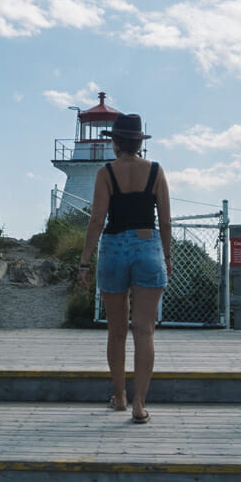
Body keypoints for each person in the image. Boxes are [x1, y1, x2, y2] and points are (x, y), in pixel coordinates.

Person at [79, 111, 172, 423]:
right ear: (139, 142)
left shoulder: (106, 172)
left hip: (114, 248)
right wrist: (167, 257)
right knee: (144, 331)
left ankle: (119, 397)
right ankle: (139, 405)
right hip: (148, 246)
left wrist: (84, 262)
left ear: (115, 142)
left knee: (116, 331)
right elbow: (166, 221)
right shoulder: (155, 171)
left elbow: (97, 220)